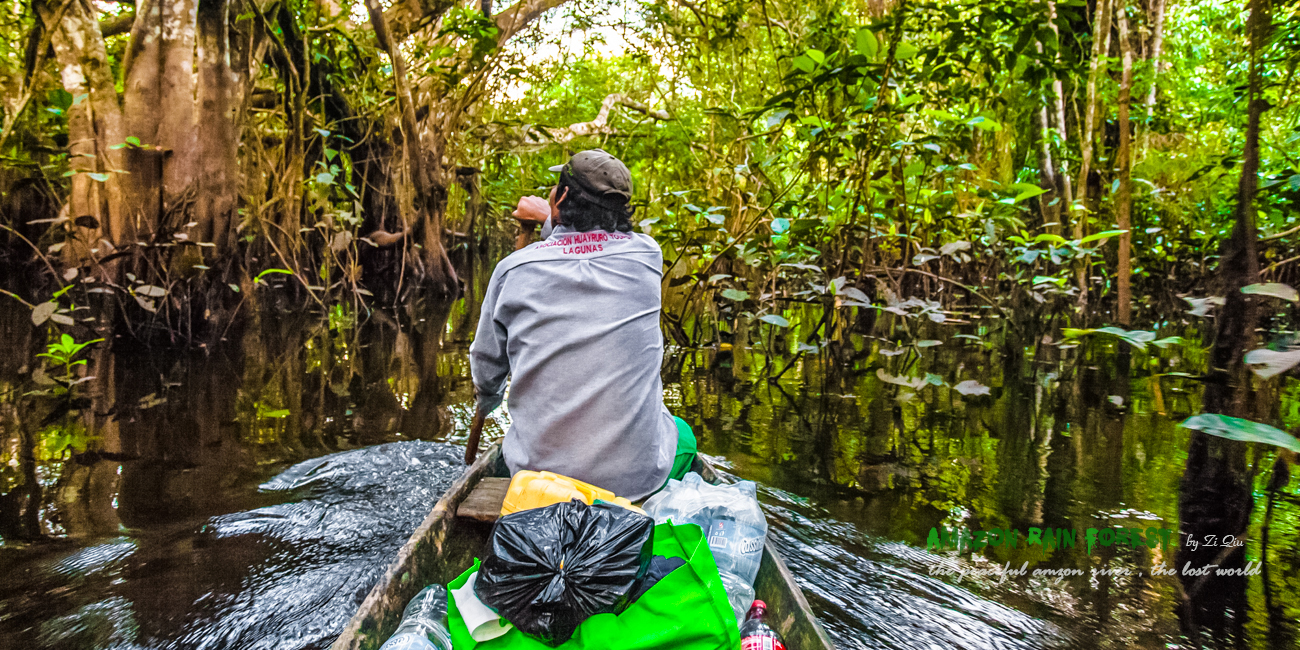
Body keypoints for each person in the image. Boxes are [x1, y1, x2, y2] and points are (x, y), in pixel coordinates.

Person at [469, 149, 696, 501]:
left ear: (560, 198)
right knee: (682, 433)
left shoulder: (514, 269)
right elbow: (591, 242)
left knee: (516, 449)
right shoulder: (647, 256)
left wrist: (488, 399)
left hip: (540, 483)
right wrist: (553, 218)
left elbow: (487, 369)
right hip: (634, 483)